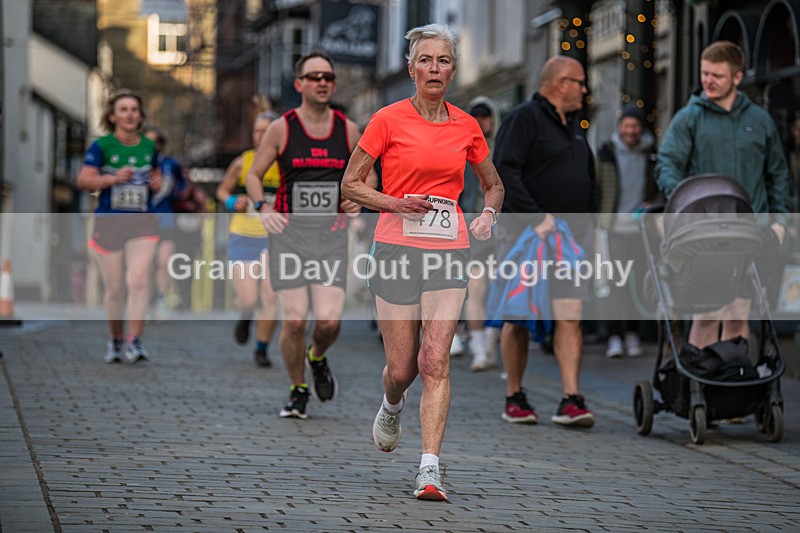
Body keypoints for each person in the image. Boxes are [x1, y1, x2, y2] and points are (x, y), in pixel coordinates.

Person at [341, 24, 504, 501]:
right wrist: (394, 204)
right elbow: (351, 184)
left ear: (453, 70)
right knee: (403, 367)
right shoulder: (387, 119)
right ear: (412, 69)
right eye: (426, 60)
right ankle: (392, 403)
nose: (435, 68)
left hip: (449, 247)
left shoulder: (467, 126)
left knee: (434, 360)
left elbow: (492, 183)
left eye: (444, 61)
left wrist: (488, 214)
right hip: (394, 247)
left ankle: (429, 469)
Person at [245, 52, 369, 418]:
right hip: (289, 235)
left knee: (329, 323)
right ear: (299, 84)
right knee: (296, 320)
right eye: (313, 76)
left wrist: (357, 201)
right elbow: (254, 176)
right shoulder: (282, 128)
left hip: (330, 237)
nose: (322, 82)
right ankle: (297, 388)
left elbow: (368, 175)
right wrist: (262, 207)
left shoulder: (347, 129)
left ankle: (317, 357)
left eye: (328, 76)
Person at [656, 40, 790, 349]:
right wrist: (682, 205)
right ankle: (700, 389)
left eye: (716, 75)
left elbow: (779, 175)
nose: (708, 81)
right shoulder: (689, 118)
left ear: (738, 77)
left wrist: (780, 222)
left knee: (738, 315)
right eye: (704, 74)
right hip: (703, 234)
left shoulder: (759, 121)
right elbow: (667, 164)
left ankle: (733, 387)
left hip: (750, 233)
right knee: (706, 315)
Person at [492, 55, 596, 428]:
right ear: (559, 83)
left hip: (569, 241)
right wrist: (537, 217)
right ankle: (514, 396)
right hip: (527, 235)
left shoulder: (576, 127)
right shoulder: (524, 118)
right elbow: (504, 169)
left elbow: (587, 177)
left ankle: (571, 398)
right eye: (579, 82)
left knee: (570, 314)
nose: (584, 89)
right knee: (519, 314)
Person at [76, 89, 163, 363]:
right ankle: (115, 339)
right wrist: (111, 179)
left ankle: (134, 341)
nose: (129, 114)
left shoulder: (150, 147)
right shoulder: (102, 146)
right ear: (112, 116)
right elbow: (83, 180)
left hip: (141, 221)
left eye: (134, 110)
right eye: (123, 110)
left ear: (140, 116)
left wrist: (156, 184)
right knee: (114, 288)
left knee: (137, 280)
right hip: (109, 220)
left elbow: (157, 178)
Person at [216, 111, 281, 367]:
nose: (261, 135)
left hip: (274, 237)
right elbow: (222, 190)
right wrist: (232, 200)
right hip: (243, 235)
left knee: (270, 295)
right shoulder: (243, 162)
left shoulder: (285, 162)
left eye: (267, 130)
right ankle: (245, 315)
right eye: (257, 130)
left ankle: (262, 348)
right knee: (248, 298)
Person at [596, 104, 659, 358]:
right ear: (619, 127)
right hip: (614, 228)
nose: (629, 130)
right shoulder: (606, 152)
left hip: (642, 229)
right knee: (616, 281)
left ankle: (632, 334)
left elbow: (658, 185)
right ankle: (614, 336)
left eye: (633, 126)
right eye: (625, 125)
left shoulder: (651, 153)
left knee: (637, 281)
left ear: (640, 128)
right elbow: (598, 184)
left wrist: (652, 202)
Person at [460, 99, 501, 371]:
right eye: (476, 116)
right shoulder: (461, 149)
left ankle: (490, 340)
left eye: (485, 116)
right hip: (470, 229)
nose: (481, 121)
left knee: (497, 289)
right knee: (476, 287)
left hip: (501, 229)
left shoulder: (501, 149)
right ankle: (478, 347)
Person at [141, 125, 187, 321]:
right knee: (147, 265)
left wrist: (179, 193)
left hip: (167, 219)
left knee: (164, 262)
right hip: (143, 221)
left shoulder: (171, 164)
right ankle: (147, 302)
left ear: (161, 144)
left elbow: (183, 185)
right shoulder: (138, 163)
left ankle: (161, 301)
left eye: (155, 142)